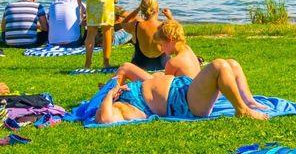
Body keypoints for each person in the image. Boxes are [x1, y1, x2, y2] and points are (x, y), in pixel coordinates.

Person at [95, 57, 269, 124]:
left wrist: (113, 86)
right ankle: (242, 110)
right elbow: (103, 118)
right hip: (185, 102)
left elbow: (125, 67)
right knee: (219, 66)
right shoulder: (124, 107)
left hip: (185, 88)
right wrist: (109, 95)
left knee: (231, 64)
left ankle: (248, 100)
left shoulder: (131, 88)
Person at [120, 0, 170, 72]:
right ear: (156, 10)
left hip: (140, 64)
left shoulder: (137, 24)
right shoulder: (163, 25)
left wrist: (136, 10)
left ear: (142, 10)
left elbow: (123, 23)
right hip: (161, 64)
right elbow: (179, 32)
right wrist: (170, 17)